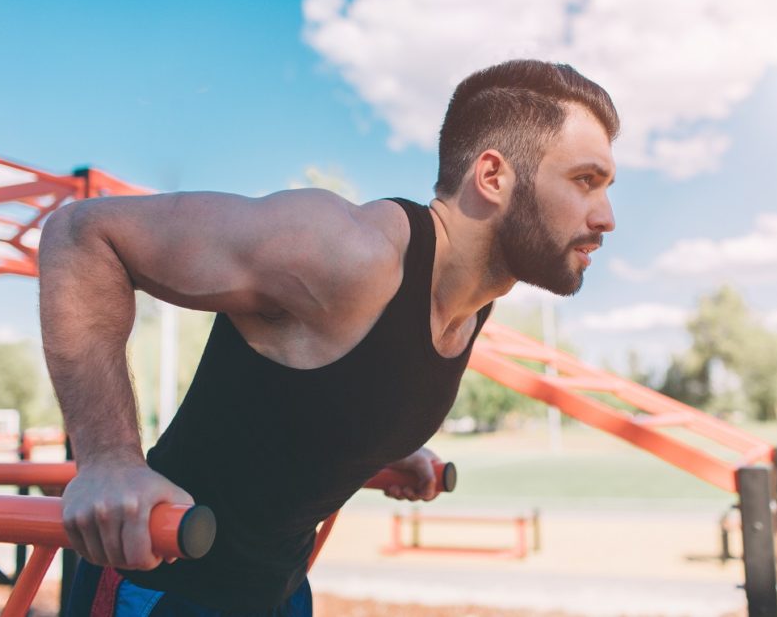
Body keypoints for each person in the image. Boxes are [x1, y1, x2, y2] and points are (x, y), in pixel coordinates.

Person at [38, 59, 619, 616]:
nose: (606, 216)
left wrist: (386, 446)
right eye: (585, 181)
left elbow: (330, 383)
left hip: (281, 591)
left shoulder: (474, 301)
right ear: (493, 176)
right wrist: (109, 460)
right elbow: (84, 235)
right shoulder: (346, 251)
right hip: (163, 580)